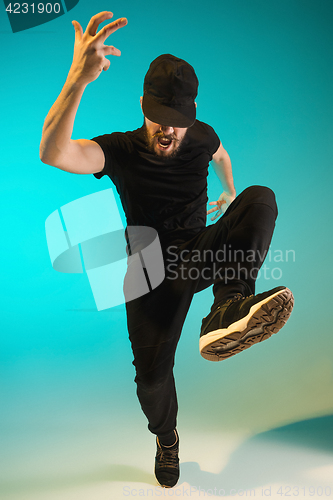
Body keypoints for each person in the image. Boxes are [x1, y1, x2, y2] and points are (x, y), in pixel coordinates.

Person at [40, 11, 294, 489]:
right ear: (143, 105)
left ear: (191, 116)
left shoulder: (200, 136)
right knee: (151, 382)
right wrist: (78, 79)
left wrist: (229, 193)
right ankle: (167, 438)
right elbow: (55, 153)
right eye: (159, 119)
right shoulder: (119, 150)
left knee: (260, 198)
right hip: (149, 271)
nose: (167, 132)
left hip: (197, 250)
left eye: (177, 123)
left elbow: (221, 154)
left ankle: (228, 307)